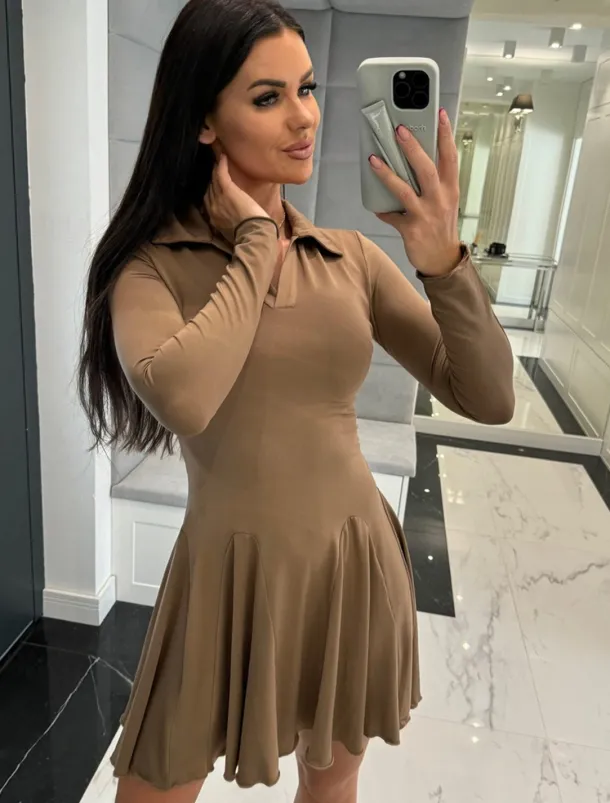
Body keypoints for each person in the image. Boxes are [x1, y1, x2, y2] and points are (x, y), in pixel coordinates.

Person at [78, 0, 515, 801]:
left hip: (350, 568)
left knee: (332, 784)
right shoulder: (150, 268)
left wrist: (444, 260)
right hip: (224, 577)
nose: (305, 116)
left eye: (307, 88)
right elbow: (186, 398)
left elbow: (488, 397)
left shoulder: (350, 259)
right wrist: (254, 242)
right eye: (267, 96)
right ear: (203, 119)